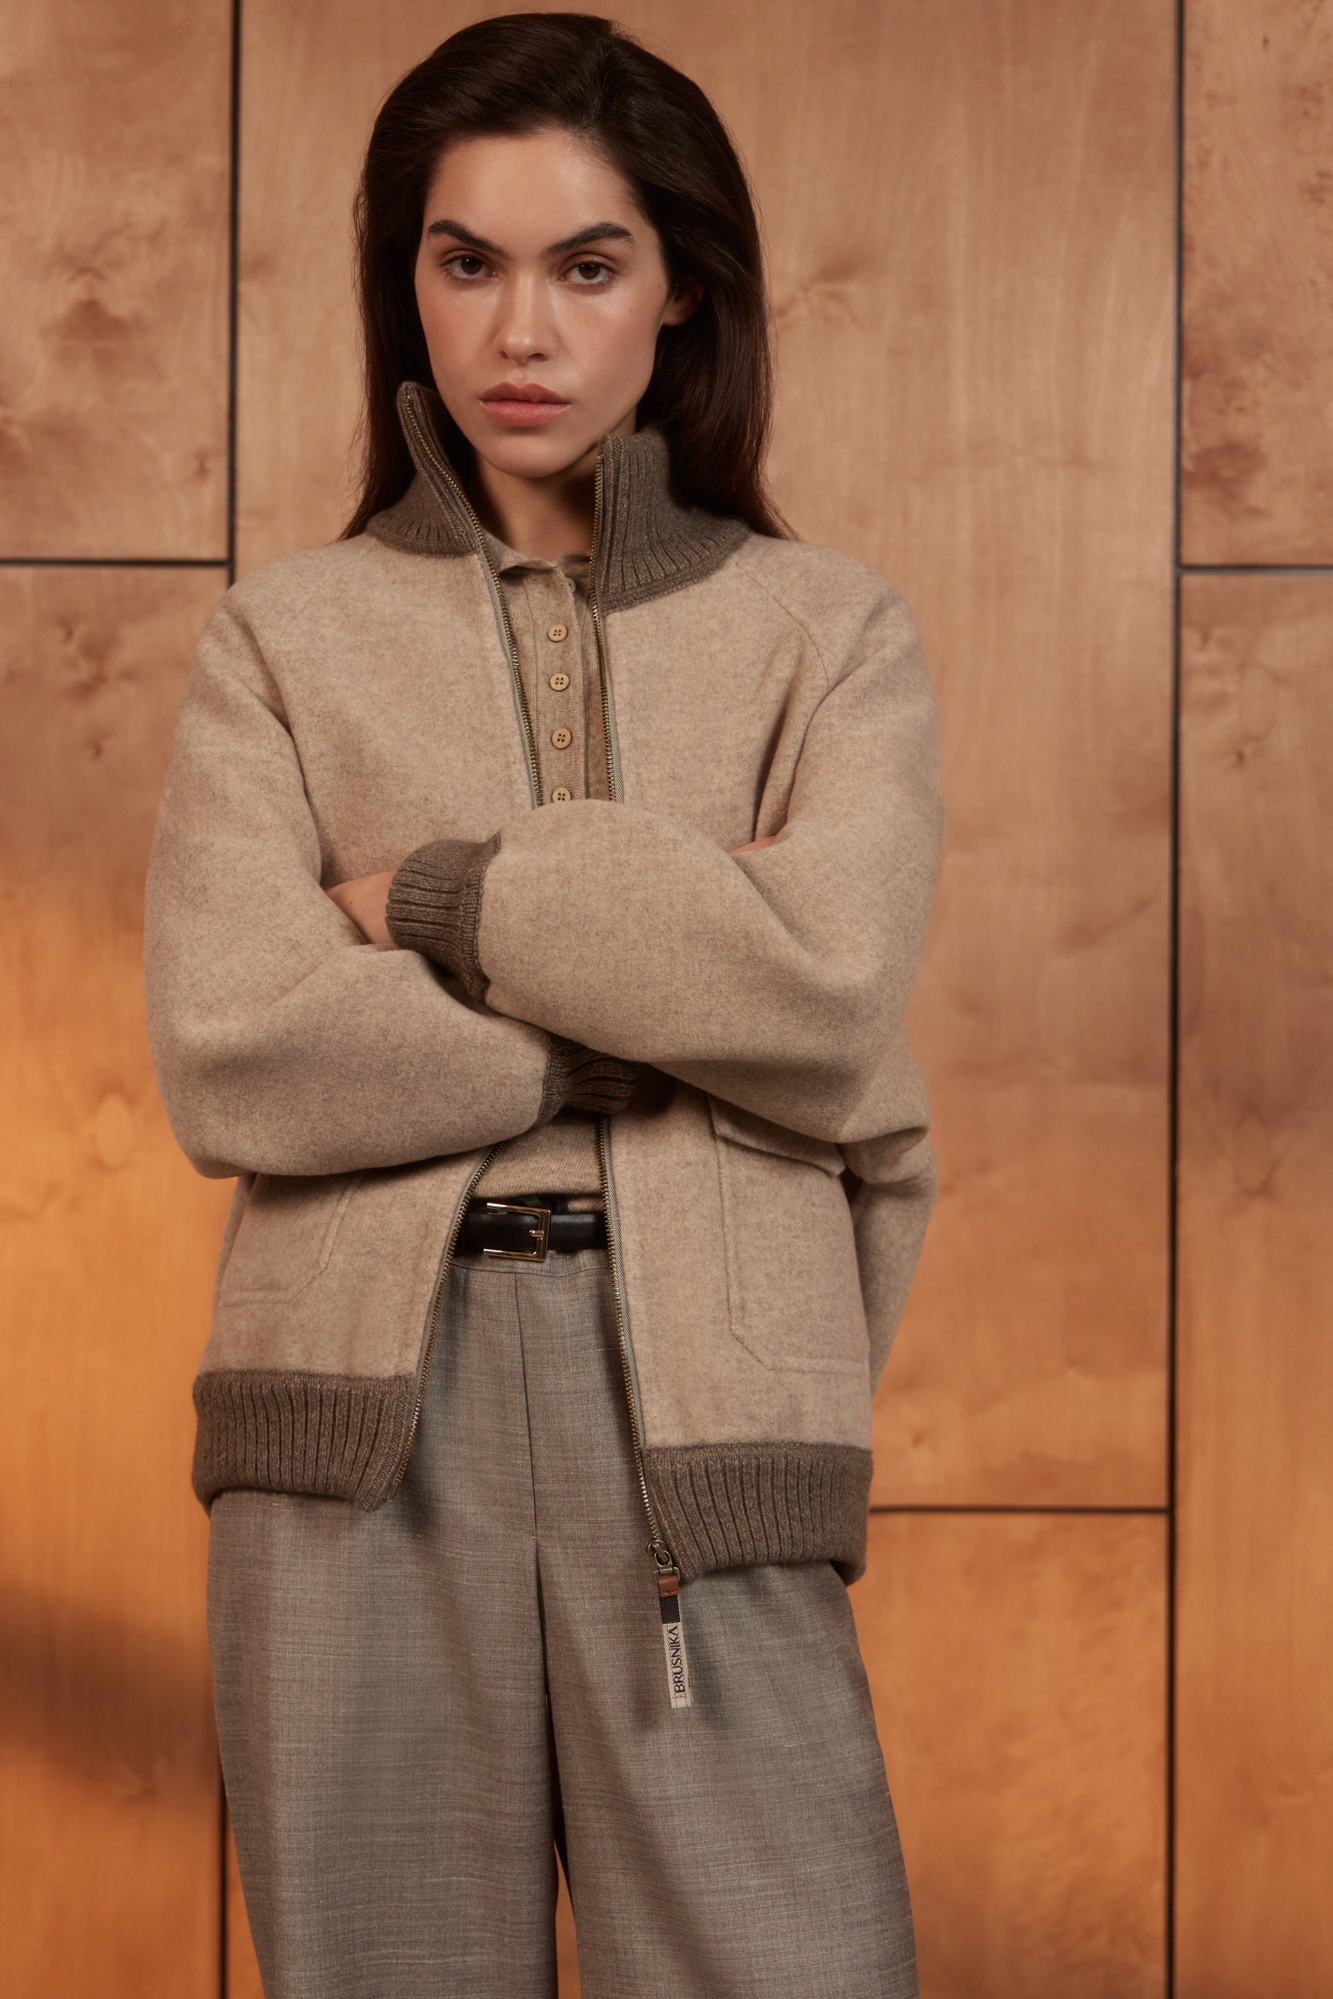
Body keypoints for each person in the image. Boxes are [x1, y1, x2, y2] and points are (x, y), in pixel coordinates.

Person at [144, 13, 941, 1997]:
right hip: (353, 1432)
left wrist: (430, 902)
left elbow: (823, 990)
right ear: (403, 283)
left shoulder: (825, 634)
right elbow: (240, 1049)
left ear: (681, 290)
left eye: (587, 264)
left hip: (703, 1413)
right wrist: (663, 996)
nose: (521, 327)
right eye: (465, 260)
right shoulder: (281, 640)